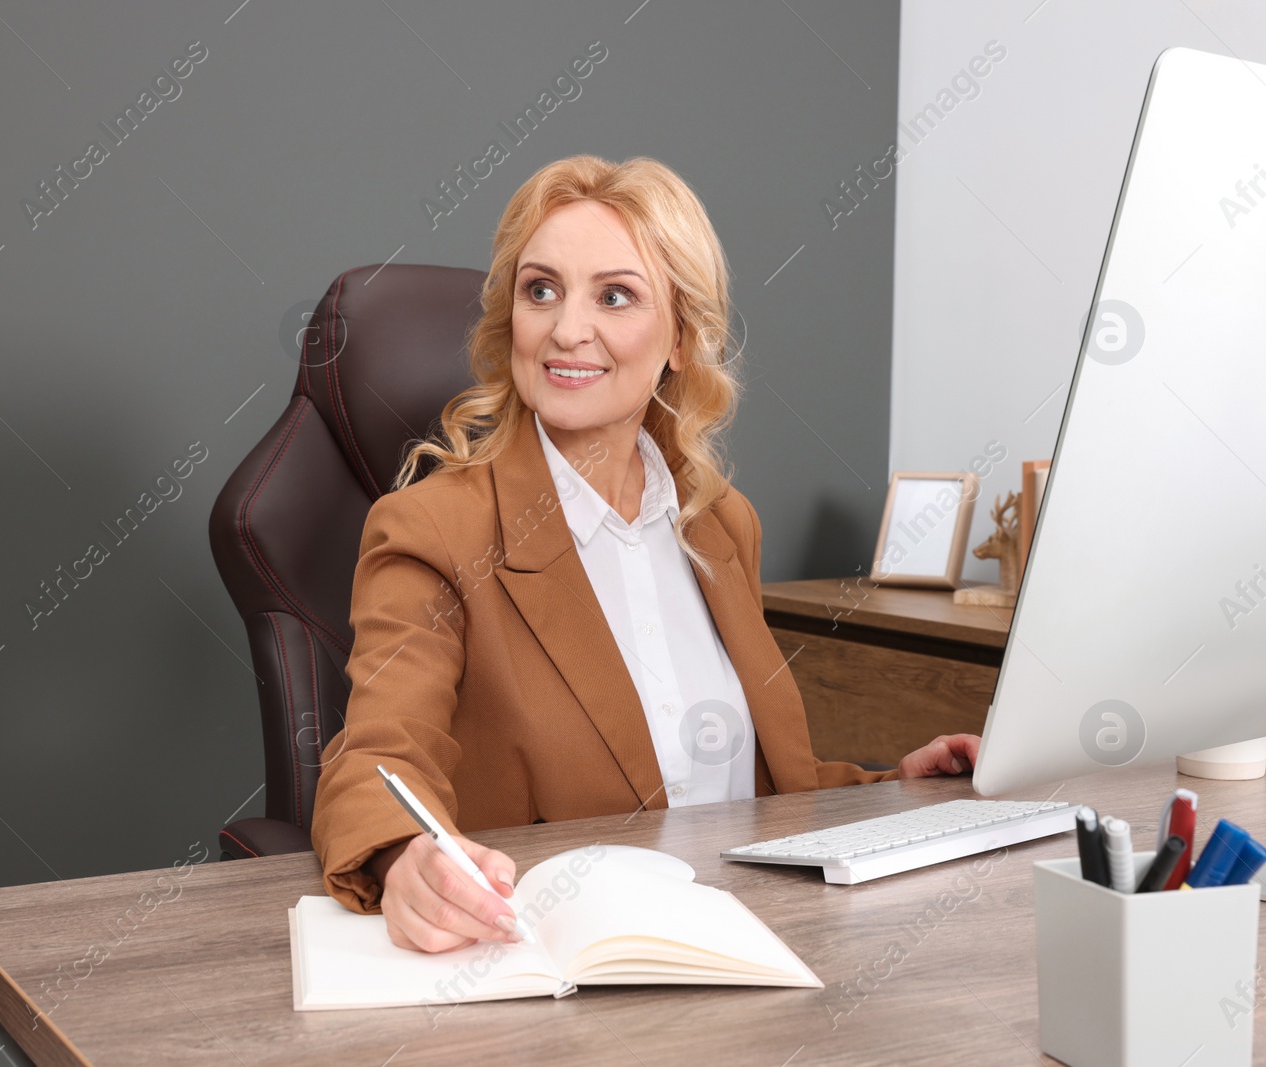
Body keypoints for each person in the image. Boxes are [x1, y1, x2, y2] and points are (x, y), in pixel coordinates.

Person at [309, 154, 981, 954]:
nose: (566, 328)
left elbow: (750, 786)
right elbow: (378, 758)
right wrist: (401, 855)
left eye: (615, 295)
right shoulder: (433, 529)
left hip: (746, 945)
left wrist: (891, 788)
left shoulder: (720, 524)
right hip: (554, 969)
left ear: (683, 338)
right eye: (541, 290)